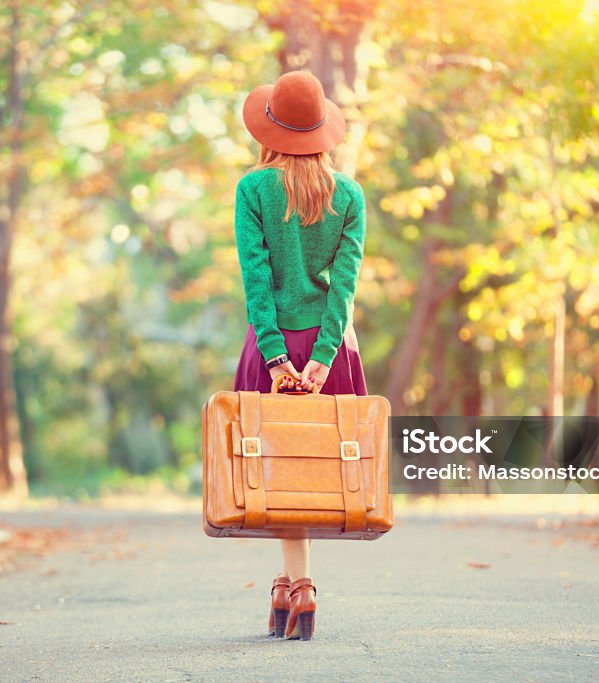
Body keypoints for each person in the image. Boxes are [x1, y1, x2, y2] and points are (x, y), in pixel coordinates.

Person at [232, 70, 368, 641]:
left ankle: (301, 587)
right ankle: (291, 586)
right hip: (330, 347)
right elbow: (345, 283)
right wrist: (323, 355)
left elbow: (256, 279)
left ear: (270, 127)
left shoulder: (252, 190)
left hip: (274, 343)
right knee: (310, 469)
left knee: (278, 471)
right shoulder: (350, 195)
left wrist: (276, 358)